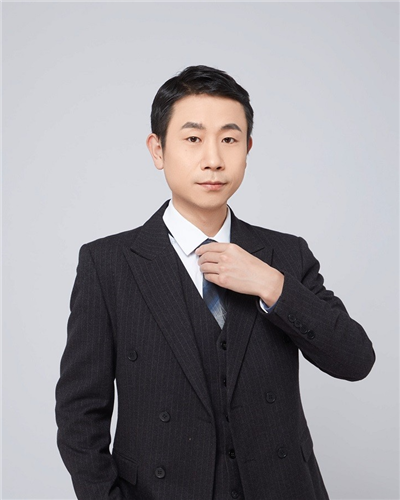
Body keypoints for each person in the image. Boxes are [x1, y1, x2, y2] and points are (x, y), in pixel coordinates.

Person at [55, 65, 375, 500]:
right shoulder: (108, 264)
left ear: (247, 148)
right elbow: (79, 413)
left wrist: (272, 286)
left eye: (229, 139)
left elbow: (356, 360)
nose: (213, 159)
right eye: (193, 139)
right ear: (157, 149)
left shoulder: (285, 255)